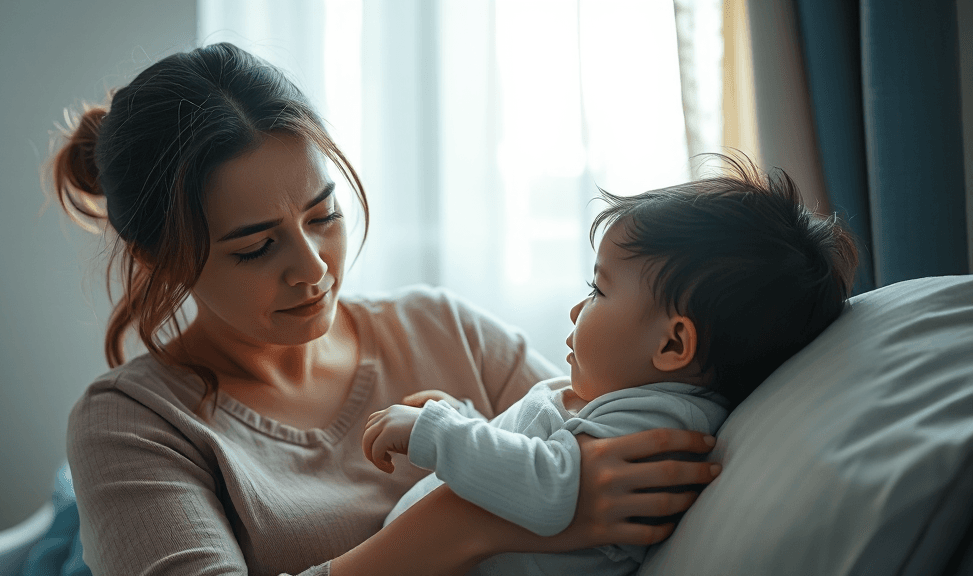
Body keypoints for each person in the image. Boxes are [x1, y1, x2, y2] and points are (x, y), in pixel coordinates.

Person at [50, 42, 723, 576]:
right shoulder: (130, 425)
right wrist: (473, 518)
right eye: (256, 247)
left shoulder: (443, 330)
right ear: (162, 260)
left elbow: (626, 457)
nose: (313, 268)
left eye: (324, 215)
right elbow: (572, 493)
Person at [362, 155, 860, 575]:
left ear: (673, 345)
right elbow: (525, 463)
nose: (578, 310)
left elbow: (550, 488)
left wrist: (440, 433)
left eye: (598, 290)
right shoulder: (623, 396)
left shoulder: (657, 425)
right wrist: (472, 423)